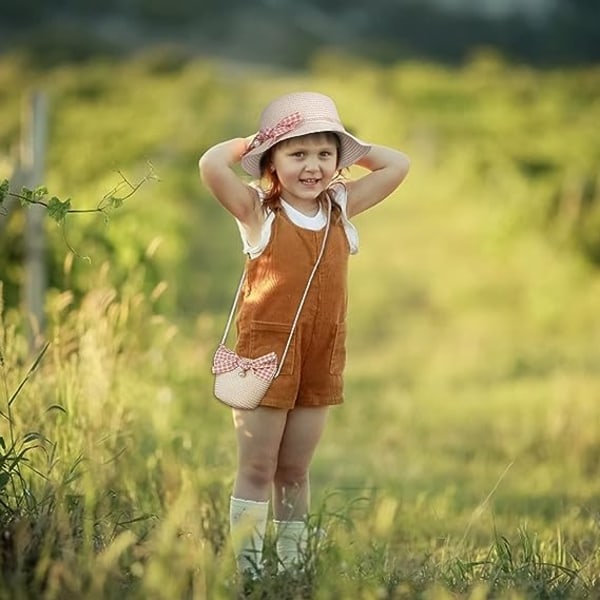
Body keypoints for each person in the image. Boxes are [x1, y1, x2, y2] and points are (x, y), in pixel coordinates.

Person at [199, 91, 410, 577]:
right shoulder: (258, 212)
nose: (311, 166)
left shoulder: (340, 206)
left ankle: (293, 570)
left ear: (338, 161)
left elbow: (398, 165)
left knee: (294, 470)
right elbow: (211, 165)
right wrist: (255, 140)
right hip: (264, 355)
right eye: (296, 153)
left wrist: (353, 145)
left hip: (321, 353)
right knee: (258, 467)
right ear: (271, 163)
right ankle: (248, 571)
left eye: (324, 153)